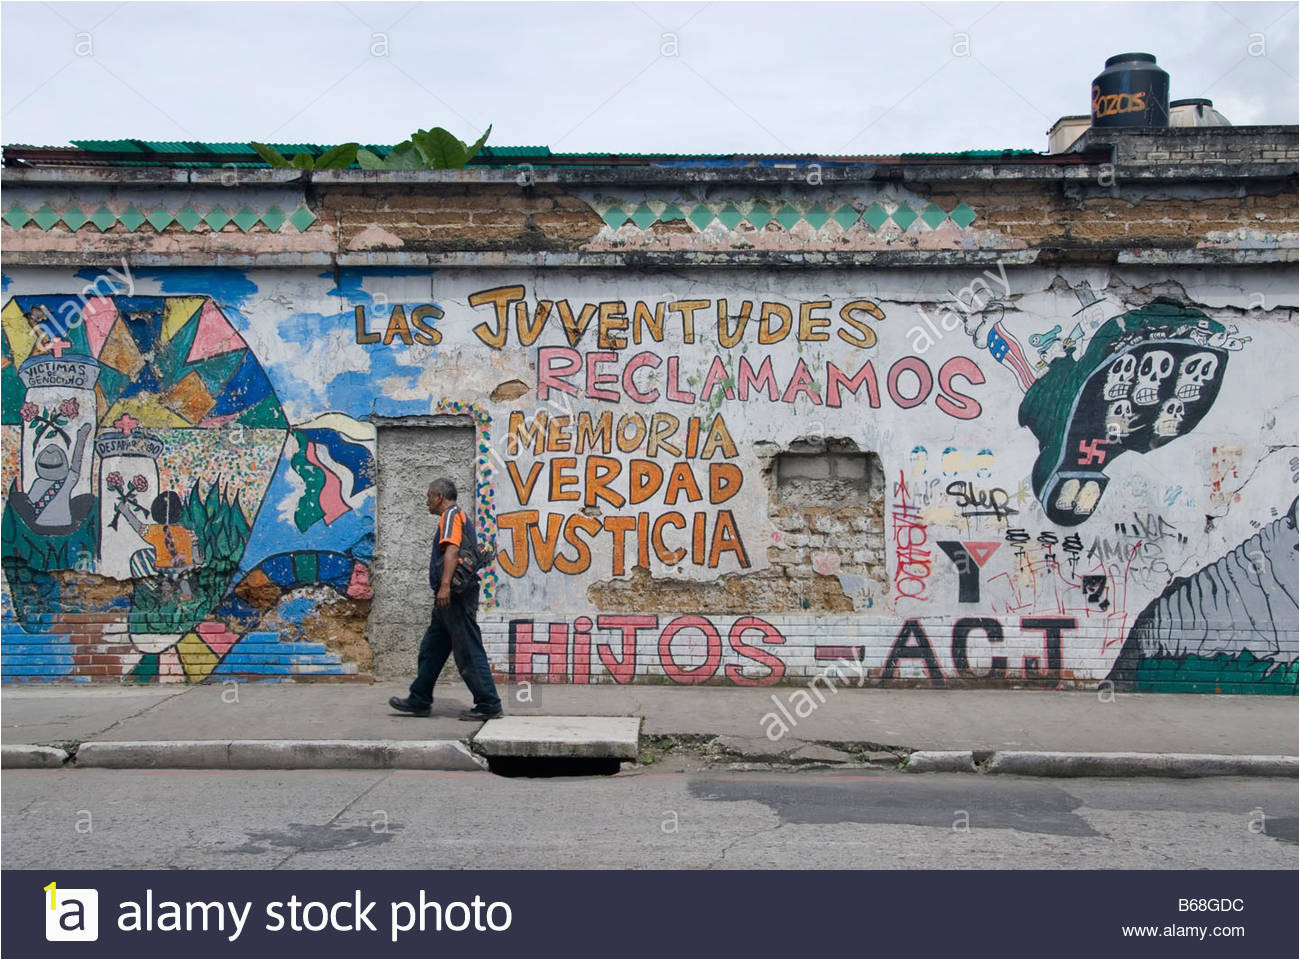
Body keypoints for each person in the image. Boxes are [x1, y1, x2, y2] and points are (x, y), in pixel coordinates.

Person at [389, 478, 503, 721]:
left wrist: (444, 587)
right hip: (450, 598)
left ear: (439, 496)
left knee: (468, 650)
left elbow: (451, 550)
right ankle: (419, 699)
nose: (427, 501)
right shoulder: (456, 516)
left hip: (454, 596)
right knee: (432, 649)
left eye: (429, 495)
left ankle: (488, 704)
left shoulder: (451, 515)